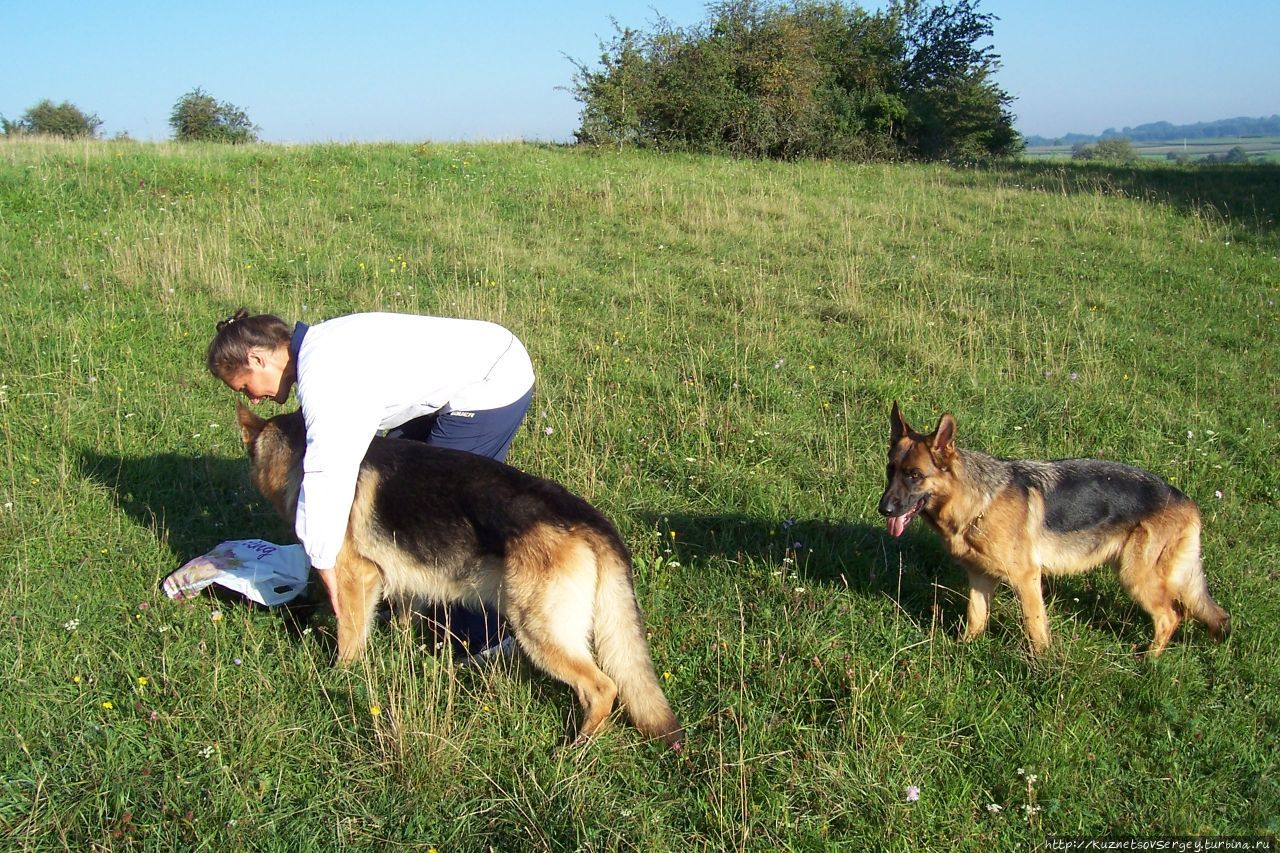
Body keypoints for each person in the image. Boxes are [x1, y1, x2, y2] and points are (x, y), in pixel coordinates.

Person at [206, 308, 535, 658]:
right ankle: (408, 599)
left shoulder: (326, 374)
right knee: (398, 486)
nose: (253, 399)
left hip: (494, 379)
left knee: (436, 508)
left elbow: (327, 472)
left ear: (256, 358)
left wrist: (324, 560)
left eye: (245, 387)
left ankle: (484, 641)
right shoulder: (320, 352)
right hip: (465, 373)